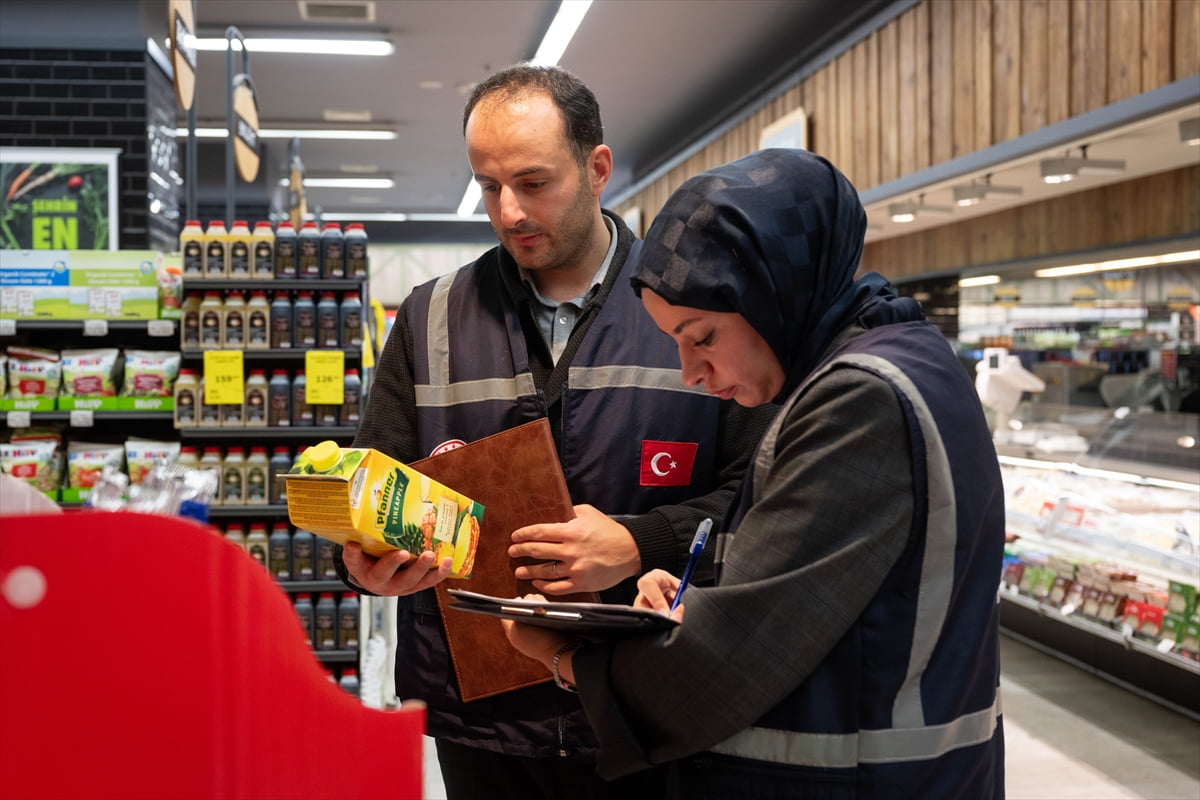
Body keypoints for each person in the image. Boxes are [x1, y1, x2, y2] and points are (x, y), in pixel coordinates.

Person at [503, 148, 1007, 798]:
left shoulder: (860, 399)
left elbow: (736, 658)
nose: (690, 373)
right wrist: (702, 591)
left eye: (702, 337)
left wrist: (566, 658)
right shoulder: (905, 355)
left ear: (772, 294)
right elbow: (839, 570)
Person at [334, 64, 775, 799]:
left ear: (597, 168)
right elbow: (375, 475)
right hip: (481, 715)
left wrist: (641, 541)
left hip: (654, 698)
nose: (509, 211)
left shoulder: (695, 309)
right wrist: (369, 558)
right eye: (488, 185)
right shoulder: (429, 317)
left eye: (534, 182)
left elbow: (761, 495)